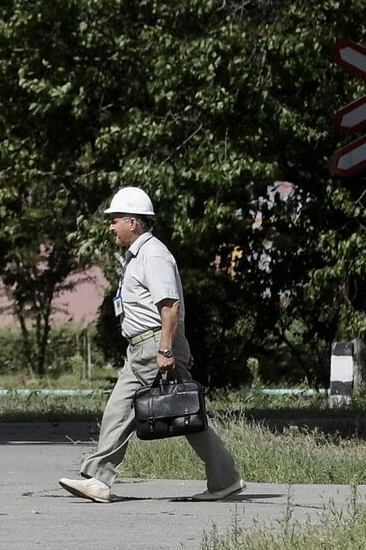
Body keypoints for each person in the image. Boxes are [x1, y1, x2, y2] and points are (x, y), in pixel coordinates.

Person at [60, 187, 245, 503]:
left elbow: (170, 305)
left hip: (151, 345)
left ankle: (99, 478)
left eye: (115, 219)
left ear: (134, 222)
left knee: (120, 409)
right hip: (148, 345)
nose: (111, 226)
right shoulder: (140, 255)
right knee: (187, 412)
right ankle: (225, 479)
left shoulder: (153, 254)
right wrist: (177, 345)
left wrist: (167, 348)